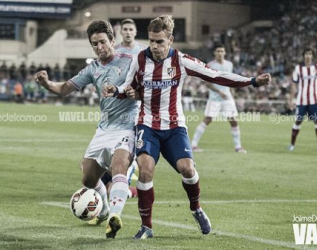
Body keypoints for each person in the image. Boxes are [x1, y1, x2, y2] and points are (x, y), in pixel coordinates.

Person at [104, 15, 271, 239]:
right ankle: (147, 227)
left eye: (160, 41)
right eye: (152, 40)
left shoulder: (181, 61)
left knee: (188, 169)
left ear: (170, 40)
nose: (154, 46)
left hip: (174, 126)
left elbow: (216, 75)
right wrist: (116, 91)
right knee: (145, 169)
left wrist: (251, 81)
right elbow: (129, 86)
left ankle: (196, 208)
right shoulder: (141, 59)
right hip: (147, 124)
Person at [35, 20, 138, 239]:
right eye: (94, 44)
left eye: (102, 42)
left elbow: (145, 88)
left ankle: (115, 216)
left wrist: (135, 93)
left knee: (119, 166)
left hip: (127, 127)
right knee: (88, 180)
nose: (99, 47)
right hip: (104, 130)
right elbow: (64, 89)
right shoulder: (92, 68)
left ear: (112, 40)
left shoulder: (131, 61)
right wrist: (46, 83)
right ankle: (104, 211)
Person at [95, 18, 147, 203]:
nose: (127, 32)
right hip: (113, 110)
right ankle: (121, 178)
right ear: (120, 32)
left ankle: (129, 180)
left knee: (124, 156)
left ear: (135, 32)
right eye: (124, 29)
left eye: (130, 29)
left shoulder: (142, 51)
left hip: (135, 108)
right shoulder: (115, 52)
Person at [191, 44, 247, 153]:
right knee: (207, 120)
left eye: (222, 51)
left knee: (233, 121)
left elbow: (230, 80)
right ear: (214, 53)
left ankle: (238, 147)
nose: (220, 53)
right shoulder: (210, 65)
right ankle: (193, 145)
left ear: (225, 53)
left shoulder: (229, 65)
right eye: (218, 51)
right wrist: (219, 92)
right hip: (214, 98)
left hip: (227, 98)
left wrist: (232, 93)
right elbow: (207, 83)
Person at [288, 47, 317, 151]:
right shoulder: (298, 68)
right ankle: (292, 144)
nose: (308, 56)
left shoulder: (316, 67)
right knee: (298, 122)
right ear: (303, 56)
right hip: (302, 100)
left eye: (310, 54)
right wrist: (291, 100)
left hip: (314, 100)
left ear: (312, 56)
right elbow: (294, 85)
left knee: (316, 122)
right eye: (306, 54)